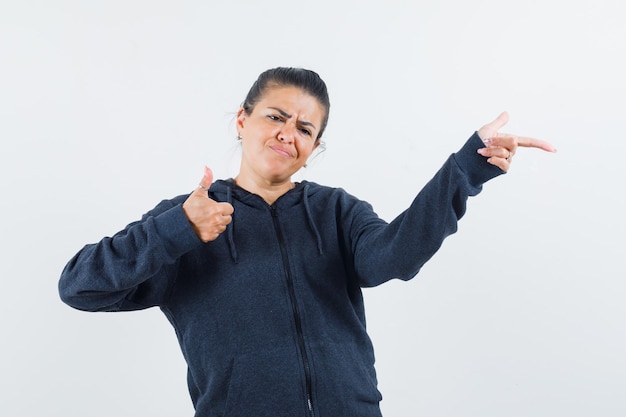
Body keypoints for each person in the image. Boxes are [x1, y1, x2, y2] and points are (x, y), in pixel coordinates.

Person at [58, 67, 556, 417]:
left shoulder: (336, 211)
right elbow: (79, 287)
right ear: (242, 120)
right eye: (275, 116)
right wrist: (176, 230)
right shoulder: (190, 215)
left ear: (313, 148)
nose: (286, 134)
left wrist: (465, 170)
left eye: (304, 128)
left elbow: (395, 256)